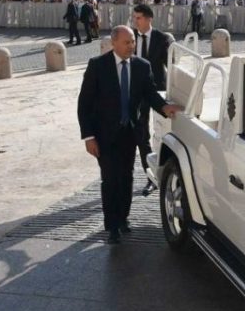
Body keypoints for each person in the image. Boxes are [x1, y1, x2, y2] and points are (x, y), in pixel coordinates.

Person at [77, 25, 182, 244]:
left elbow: (150, 94)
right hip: (104, 135)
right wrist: (88, 137)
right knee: (110, 179)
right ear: (114, 43)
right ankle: (112, 226)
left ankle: (123, 219)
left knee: (126, 178)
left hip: (130, 133)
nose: (131, 46)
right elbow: (84, 104)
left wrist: (165, 108)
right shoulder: (98, 66)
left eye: (133, 41)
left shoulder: (142, 67)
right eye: (126, 42)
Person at [132, 3, 175, 196]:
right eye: (134, 18)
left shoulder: (161, 38)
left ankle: (167, 172)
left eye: (139, 17)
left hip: (158, 92)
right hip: (137, 93)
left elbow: (171, 67)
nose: (136, 21)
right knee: (142, 134)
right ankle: (150, 177)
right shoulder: (130, 37)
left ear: (149, 18)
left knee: (163, 133)